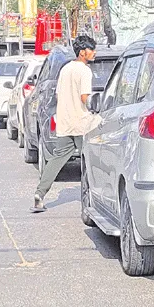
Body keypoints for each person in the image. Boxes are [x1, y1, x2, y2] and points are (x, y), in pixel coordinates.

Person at [32, 35, 100, 213]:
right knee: (90, 161)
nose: (94, 53)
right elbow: (85, 98)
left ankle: (40, 193)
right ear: (83, 52)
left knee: (56, 160)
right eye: (92, 49)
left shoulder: (65, 69)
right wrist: (98, 107)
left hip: (64, 122)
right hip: (82, 124)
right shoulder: (84, 71)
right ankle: (94, 199)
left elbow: (58, 95)